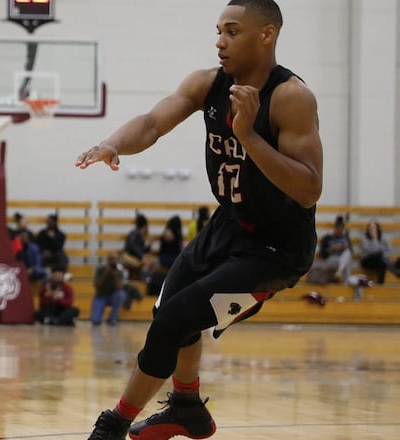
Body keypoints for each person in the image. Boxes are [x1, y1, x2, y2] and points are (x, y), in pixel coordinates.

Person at [75, 1, 323, 438]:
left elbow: (308, 190)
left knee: (175, 320)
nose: (220, 41)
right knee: (168, 310)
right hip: (227, 224)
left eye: (232, 31)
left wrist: (247, 136)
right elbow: (153, 122)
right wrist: (112, 143)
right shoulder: (208, 83)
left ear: (266, 34)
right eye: (219, 31)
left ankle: (114, 423)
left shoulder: (290, 97)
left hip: (276, 248)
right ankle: (187, 405)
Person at [306, 215, 351, 284]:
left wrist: (344, 247)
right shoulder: (327, 238)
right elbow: (322, 253)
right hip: (332, 259)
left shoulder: (345, 238)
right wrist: (332, 249)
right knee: (346, 260)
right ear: (334, 228)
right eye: (337, 228)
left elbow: (351, 251)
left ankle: (339, 271)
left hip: (342, 259)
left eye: (341, 229)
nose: (339, 230)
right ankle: (345, 280)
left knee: (347, 253)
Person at [91, 252, 129, 326]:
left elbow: (119, 287)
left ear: (118, 260)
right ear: (107, 260)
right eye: (111, 259)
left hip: (113, 296)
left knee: (121, 295)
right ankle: (98, 318)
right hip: (101, 296)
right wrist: (105, 274)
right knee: (95, 321)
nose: (113, 261)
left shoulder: (120, 271)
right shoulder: (101, 269)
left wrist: (115, 276)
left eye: (115, 259)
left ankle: (112, 318)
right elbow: (96, 285)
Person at [359, 219, 400, 285]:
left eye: (374, 227)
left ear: (377, 228)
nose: (372, 230)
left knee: (381, 262)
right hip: (367, 261)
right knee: (379, 255)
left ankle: (380, 284)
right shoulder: (365, 239)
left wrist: (381, 254)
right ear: (368, 229)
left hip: (380, 261)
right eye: (370, 228)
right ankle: (395, 270)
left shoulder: (383, 238)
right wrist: (375, 239)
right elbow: (371, 252)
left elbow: (389, 251)